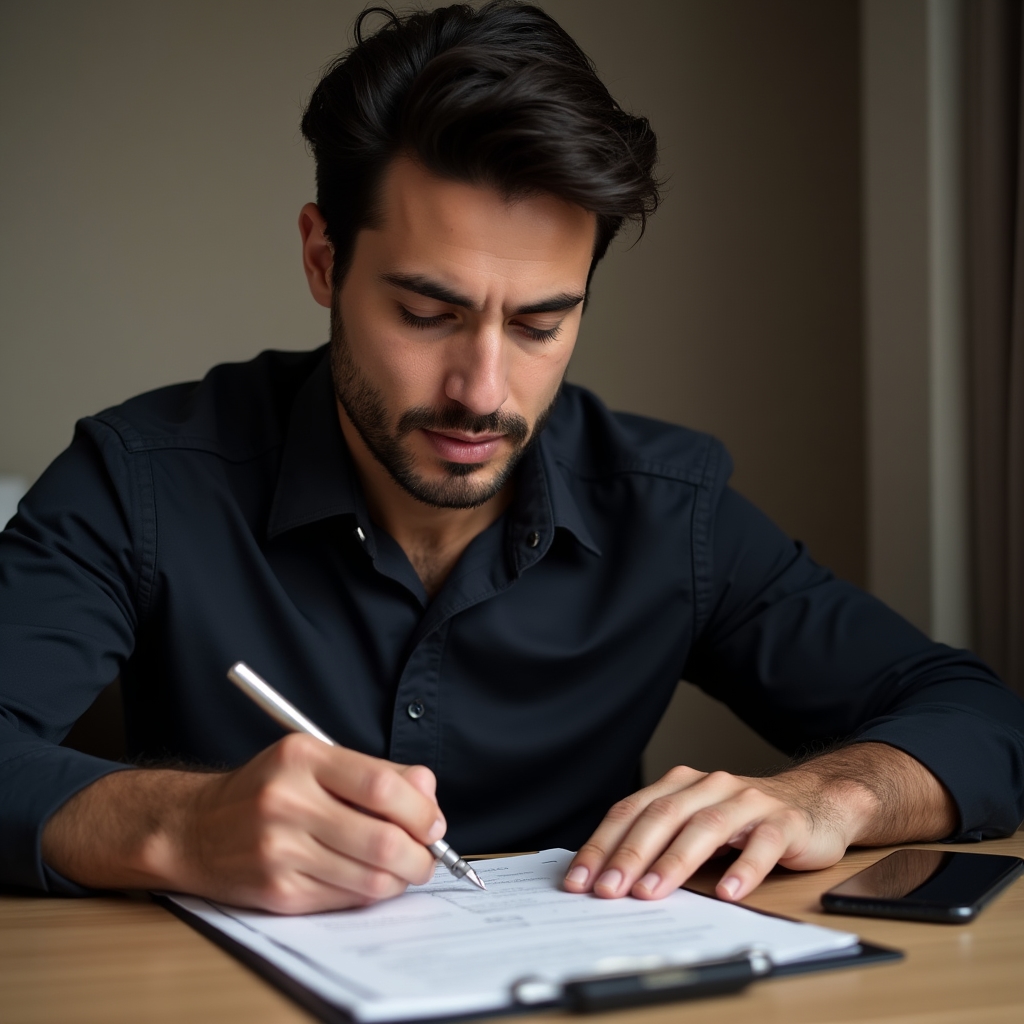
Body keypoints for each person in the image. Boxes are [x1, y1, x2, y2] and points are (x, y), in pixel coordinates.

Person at [1, 1, 1022, 913]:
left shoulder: (666, 509)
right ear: (323, 259)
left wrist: (824, 794)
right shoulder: (139, 480)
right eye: (426, 312)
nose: (482, 391)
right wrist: (178, 826)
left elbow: (977, 716)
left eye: (540, 323)